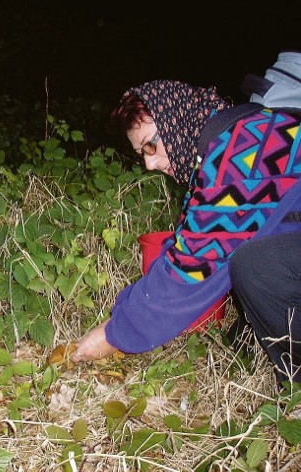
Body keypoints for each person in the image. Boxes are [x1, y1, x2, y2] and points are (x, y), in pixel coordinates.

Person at [71, 80, 301, 384]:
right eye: (142, 153)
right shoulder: (234, 136)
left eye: (151, 145)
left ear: (175, 120)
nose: (150, 163)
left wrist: (112, 336)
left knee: (254, 266)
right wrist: (121, 312)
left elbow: (189, 272)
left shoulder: (239, 155)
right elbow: (186, 243)